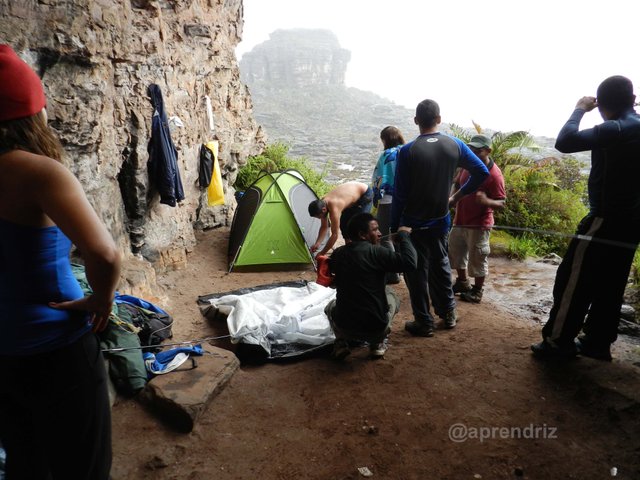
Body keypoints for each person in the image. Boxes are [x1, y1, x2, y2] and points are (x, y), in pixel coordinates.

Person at [0, 45, 121, 479]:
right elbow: (104, 254)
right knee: (81, 466)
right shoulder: (38, 172)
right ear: (33, 113)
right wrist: (101, 301)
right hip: (55, 348)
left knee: (25, 462)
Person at [531, 75, 640, 361]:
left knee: (572, 279)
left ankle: (557, 343)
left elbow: (565, 141)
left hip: (604, 219)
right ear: (632, 99)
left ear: (602, 104)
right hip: (632, 223)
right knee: (612, 284)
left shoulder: (616, 128)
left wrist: (580, 108)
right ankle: (597, 342)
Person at [391, 99, 489, 336]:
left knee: (415, 272)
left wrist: (396, 228)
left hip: (413, 224)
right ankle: (448, 314)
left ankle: (423, 322)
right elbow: (481, 172)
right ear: (439, 119)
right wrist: (456, 197)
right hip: (440, 220)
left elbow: (400, 194)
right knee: (441, 266)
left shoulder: (407, 151)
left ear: (416, 121)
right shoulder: (454, 144)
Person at [324, 213, 417, 360]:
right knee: (392, 295)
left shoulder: (338, 253)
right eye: (375, 230)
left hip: (346, 327)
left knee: (330, 306)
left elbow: (333, 280)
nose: (380, 233)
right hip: (375, 329)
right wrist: (404, 236)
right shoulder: (377, 253)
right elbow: (410, 263)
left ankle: (341, 342)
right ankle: (377, 344)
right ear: (362, 234)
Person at [449, 133, 506, 303]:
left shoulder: (494, 175)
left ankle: (477, 290)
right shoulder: (468, 166)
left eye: (477, 151)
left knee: (477, 257)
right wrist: (452, 199)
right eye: (471, 149)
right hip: (460, 220)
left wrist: (486, 201)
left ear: (488, 151)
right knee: (456, 252)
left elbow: (502, 202)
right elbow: (458, 183)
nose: (472, 153)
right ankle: (462, 282)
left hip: (479, 225)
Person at [371, 125, 405, 284]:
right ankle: (404, 269)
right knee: (403, 235)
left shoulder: (386, 154)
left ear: (385, 139)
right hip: (406, 200)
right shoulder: (407, 151)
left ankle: (392, 274)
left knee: (385, 237)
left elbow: (378, 179)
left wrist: (376, 200)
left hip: (388, 201)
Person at [308, 181, 373, 256]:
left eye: (319, 217)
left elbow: (335, 235)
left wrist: (322, 253)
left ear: (323, 210)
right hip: (350, 197)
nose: (319, 218)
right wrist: (317, 244)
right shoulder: (322, 204)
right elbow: (324, 227)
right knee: (344, 225)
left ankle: (364, 252)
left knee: (359, 226)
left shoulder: (334, 208)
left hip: (364, 194)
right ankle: (350, 251)